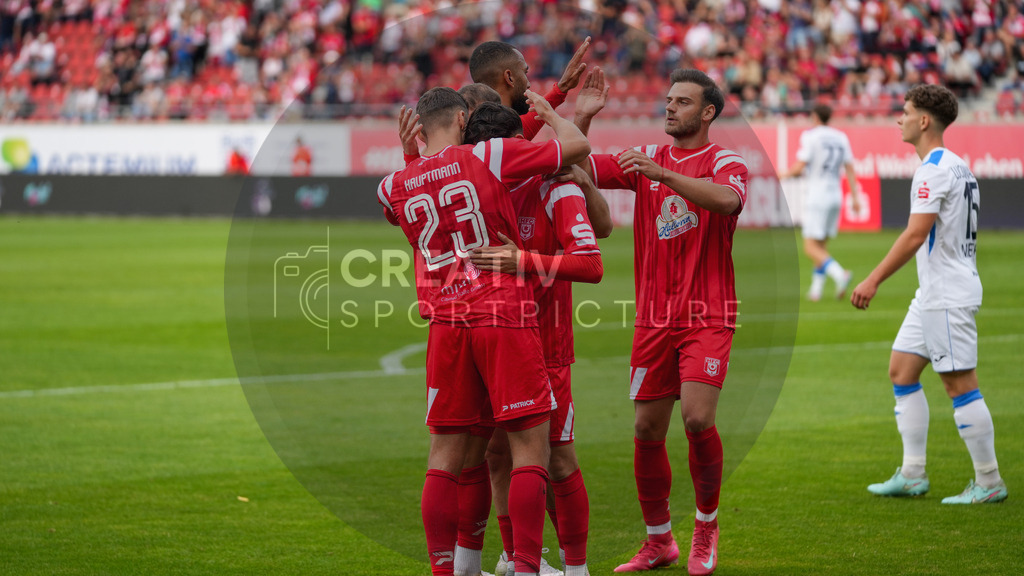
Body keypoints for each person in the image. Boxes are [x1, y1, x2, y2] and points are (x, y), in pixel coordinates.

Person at [377, 86, 591, 576]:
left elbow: (395, 211)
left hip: (446, 326)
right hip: (501, 314)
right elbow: (576, 147)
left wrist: (411, 155)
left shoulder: (393, 183)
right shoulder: (487, 154)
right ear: (460, 117)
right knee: (528, 449)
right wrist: (549, 111)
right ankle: (525, 567)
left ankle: (444, 568)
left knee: (445, 456)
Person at [577, 68, 747, 575]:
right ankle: (658, 542)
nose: (670, 107)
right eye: (669, 99)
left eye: (683, 101)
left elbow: (729, 200)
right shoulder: (646, 159)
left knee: (697, 419)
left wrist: (663, 176)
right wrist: (582, 116)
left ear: (708, 112)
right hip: (654, 319)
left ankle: (706, 526)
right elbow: (577, 162)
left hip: (708, 314)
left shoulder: (724, 160)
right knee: (647, 429)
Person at [463, 102, 606, 576]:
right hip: (495, 342)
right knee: (496, 454)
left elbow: (591, 263)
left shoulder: (555, 186)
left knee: (558, 459)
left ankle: (576, 568)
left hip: (546, 345)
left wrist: (522, 259)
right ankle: (518, 559)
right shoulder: (473, 192)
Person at [851, 84, 1007, 504]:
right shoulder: (957, 166)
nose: (898, 119)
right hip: (934, 291)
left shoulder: (933, 169)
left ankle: (989, 481)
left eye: (904, 112)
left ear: (924, 121)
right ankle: (913, 473)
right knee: (902, 371)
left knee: (960, 385)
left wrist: (873, 279)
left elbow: (916, 233)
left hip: (946, 293)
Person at [779, 103, 860, 302]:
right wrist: (856, 197)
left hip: (817, 195)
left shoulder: (810, 136)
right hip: (835, 195)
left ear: (815, 117)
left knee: (809, 248)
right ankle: (816, 291)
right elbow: (849, 167)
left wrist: (784, 174)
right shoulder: (841, 137)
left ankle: (840, 274)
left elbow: (800, 167)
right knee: (821, 246)